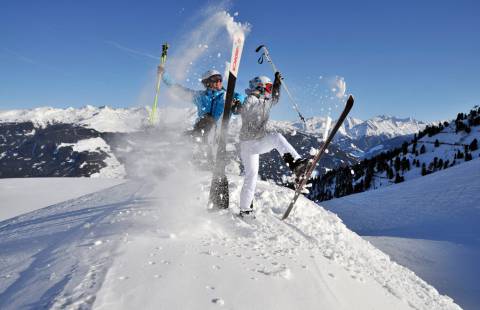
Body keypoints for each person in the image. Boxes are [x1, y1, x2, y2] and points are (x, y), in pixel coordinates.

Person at [238, 72, 308, 218]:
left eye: (270, 88)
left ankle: (296, 164)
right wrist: (252, 96)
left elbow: (275, 97)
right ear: (260, 88)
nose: (270, 91)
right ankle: (245, 210)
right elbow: (243, 110)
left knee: (276, 138)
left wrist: (277, 83)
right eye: (268, 88)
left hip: (257, 142)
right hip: (247, 143)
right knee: (251, 176)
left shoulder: (266, 101)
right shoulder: (251, 100)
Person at [158, 67, 244, 142]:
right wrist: (164, 76)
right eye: (215, 79)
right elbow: (181, 91)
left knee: (209, 120)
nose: (218, 81)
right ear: (207, 82)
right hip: (202, 132)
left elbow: (238, 96)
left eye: (220, 79)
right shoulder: (200, 96)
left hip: (218, 135)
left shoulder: (225, 96)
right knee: (205, 120)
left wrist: (237, 103)